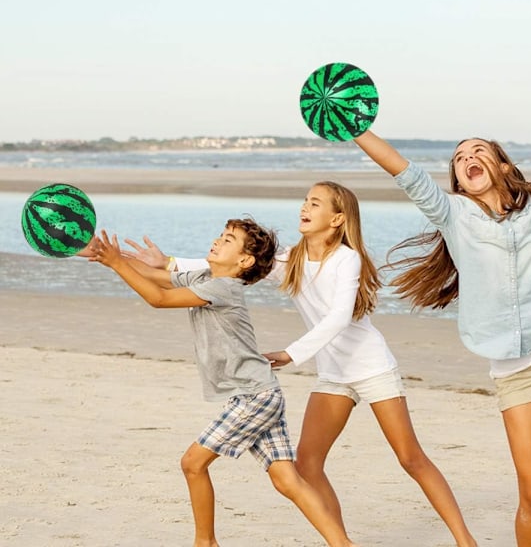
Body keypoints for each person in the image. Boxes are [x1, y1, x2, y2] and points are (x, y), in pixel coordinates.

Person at [124, 182, 477, 547]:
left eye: (315, 203)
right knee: (307, 465)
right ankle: (340, 542)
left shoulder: (346, 258)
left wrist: (292, 354)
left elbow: (339, 316)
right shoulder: (291, 260)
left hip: (372, 367)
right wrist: (169, 263)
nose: (304, 208)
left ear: (337, 219)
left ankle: (466, 541)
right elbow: (241, 263)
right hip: (333, 375)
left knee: (410, 458)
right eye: (305, 201)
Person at [353, 130, 531, 547]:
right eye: (459, 157)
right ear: (458, 178)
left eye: (478, 151)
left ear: (502, 166)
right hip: (517, 370)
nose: (467, 158)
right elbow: (401, 167)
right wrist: (357, 129)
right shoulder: (450, 213)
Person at [87, 219, 357, 547]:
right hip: (261, 392)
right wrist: (102, 254)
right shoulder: (206, 277)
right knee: (287, 481)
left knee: (192, 463)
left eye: (228, 240)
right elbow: (157, 277)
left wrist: (117, 262)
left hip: (253, 397)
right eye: (220, 235)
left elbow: (158, 298)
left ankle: (205, 543)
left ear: (244, 262)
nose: (217, 241)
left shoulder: (223, 288)